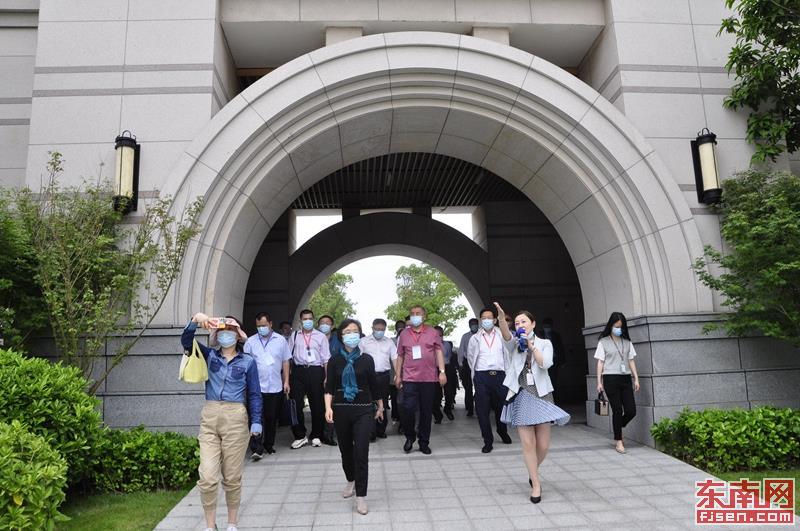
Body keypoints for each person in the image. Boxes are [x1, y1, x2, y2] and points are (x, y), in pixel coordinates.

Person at [181, 313, 262, 531]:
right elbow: (186, 342)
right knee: (207, 477)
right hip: (210, 416)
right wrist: (195, 320)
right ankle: (210, 526)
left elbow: (254, 394)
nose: (226, 335)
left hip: (236, 418)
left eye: (231, 330)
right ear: (217, 334)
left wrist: (256, 421)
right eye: (222, 330)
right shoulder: (209, 355)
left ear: (238, 334)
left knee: (232, 477)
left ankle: (232, 524)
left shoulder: (248, 362)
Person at [496, 302, 570, 504]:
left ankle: (532, 471)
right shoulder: (514, 344)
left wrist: (531, 346)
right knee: (528, 444)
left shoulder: (544, 343)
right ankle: (536, 484)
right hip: (521, 393)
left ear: (533, 324)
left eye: (524, 322)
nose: (520, 325)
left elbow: (545, 363)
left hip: (542, 394)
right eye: (517, 322)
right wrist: (501, 318)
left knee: (543, 445)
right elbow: (505, 335)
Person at [325, 318, 384, 516]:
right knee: (346, 451)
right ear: (341, 336)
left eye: (355, 331)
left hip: (363, 409)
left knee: (361, 452)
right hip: (341, 409)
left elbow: (374, 385)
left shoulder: (366, 359)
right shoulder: (334, 360)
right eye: (347, 332)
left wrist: (380, 406)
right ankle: (350, 479)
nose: (352, 335)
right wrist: (328, 408)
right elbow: (329, 387)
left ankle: (361, 495)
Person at [394, 305, 446, 455]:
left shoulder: (432, 332)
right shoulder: (404, 334)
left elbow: (438, 352)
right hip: (409, 378)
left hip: (428, 378)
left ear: (424, 316)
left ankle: (424, 442)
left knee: (426, 411)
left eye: (418, 313)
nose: (414, 316)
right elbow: (400, 355)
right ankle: (410, 436)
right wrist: (398, 375)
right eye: (412, 314)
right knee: (408, 409)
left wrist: (442, 372)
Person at [244, 312, 291, 459]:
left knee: (271, 417)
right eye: (258, 326)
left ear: (270, 324)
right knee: (256, 417)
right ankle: (256, 448)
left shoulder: (280, 340)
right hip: (256, 387)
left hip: (275, 386)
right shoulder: (250, 342)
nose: (261, 328)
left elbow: (285, 361)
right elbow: (245, 363)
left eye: (264, 325)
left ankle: (269, 444)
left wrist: (286, 381)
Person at [467, 307, 512, 453]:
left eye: (489, 318)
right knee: (482, 410)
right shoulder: (475, 338)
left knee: (501, 407)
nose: (486, 320)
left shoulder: (501, 334)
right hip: (481, 376)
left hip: (500, 376)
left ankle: (502, 430)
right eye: (484, 318)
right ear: (481, 320)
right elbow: (471, 357)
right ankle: (488, 440)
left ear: (494, 320)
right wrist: (477, 373)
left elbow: (509, 351)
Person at [595, 311, 640, 454]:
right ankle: (619, 441)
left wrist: (636, 378)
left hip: (625, 378)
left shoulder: (627, 342)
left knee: (631, 410)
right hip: (610, 378)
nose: (618, 329)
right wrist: (599, 382)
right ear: (611, 325)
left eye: (621, 326)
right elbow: (600, 363)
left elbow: (631, 360)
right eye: (616, 326)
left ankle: (618, 427)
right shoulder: (603, 342)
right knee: (617, 410)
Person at [287, 308, 331, 449]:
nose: (308, 321)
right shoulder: (294, 336)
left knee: (317, 404)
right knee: (295, 404)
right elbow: (287, 357)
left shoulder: (321, 336)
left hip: (316, 370)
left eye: (310, 319)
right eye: (305, 319)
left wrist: (327, 377)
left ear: (313, 319)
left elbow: (326, 359)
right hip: (298, 371)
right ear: (301, 321)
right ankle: (300, 435)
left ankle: (316, 434)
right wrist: (287, 379)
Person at [359, 318, 395, 440]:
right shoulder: (363, 341)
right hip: (368, 377)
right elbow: (358, 358)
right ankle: (371, 431)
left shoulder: (389, 342)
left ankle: (381, 429)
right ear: (372, 328)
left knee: (382, 402)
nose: (379, 331)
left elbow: (395, 358)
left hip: (383, 376)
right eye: (377, 329)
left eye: (382, 329)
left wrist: (398, 374)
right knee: (369, 403)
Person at [318, 315, 341, 446]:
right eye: (322, 322)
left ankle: (329, 434)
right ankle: (318, 433)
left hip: (334, 375)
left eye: (327, 323)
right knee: (318, 404)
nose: (325, 325)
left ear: (332, 326)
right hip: (317, 373)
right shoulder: (314, 337)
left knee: (331, 404)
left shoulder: (338, 339)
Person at [457, 318, 478, 416]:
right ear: (469, 326)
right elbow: (461, 350)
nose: (474, 326)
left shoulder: (482, 335)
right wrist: (460, 364)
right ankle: (470, 408)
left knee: (480, 387)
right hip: (467, 364)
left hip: (479, 364)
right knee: (468, 388)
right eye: (472, 324)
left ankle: (480, 406)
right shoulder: (465, 337)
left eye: (475, 324)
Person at [541, 318, 565, 403]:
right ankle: (544, 400)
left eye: (548, 326)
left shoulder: (555, 335)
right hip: (542, 361)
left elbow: (561, 348)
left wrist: (562, 361)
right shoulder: (539, 335)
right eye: (545, 326)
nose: (547, 328)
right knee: (543, 380)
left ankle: (554, 400)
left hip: (554, 360)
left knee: (553, 380)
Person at [437, 326, 458, 420]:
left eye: (440, 335)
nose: (439, 337)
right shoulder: (429, 344)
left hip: (446, 369)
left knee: (449, 392)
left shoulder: (447, 345)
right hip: (435, 369)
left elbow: (449, 357)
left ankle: (448, 409)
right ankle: (437, 414)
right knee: (436, 394)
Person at [389, 319, 405, 422]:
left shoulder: (409, 341)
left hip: (407, 375)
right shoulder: (391, 342)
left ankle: (403, 420)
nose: (401, 329)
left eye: (402, 327)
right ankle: (395, 415)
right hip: (393, 375)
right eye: (399, 327)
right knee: (395, 397)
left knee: (403, 399)